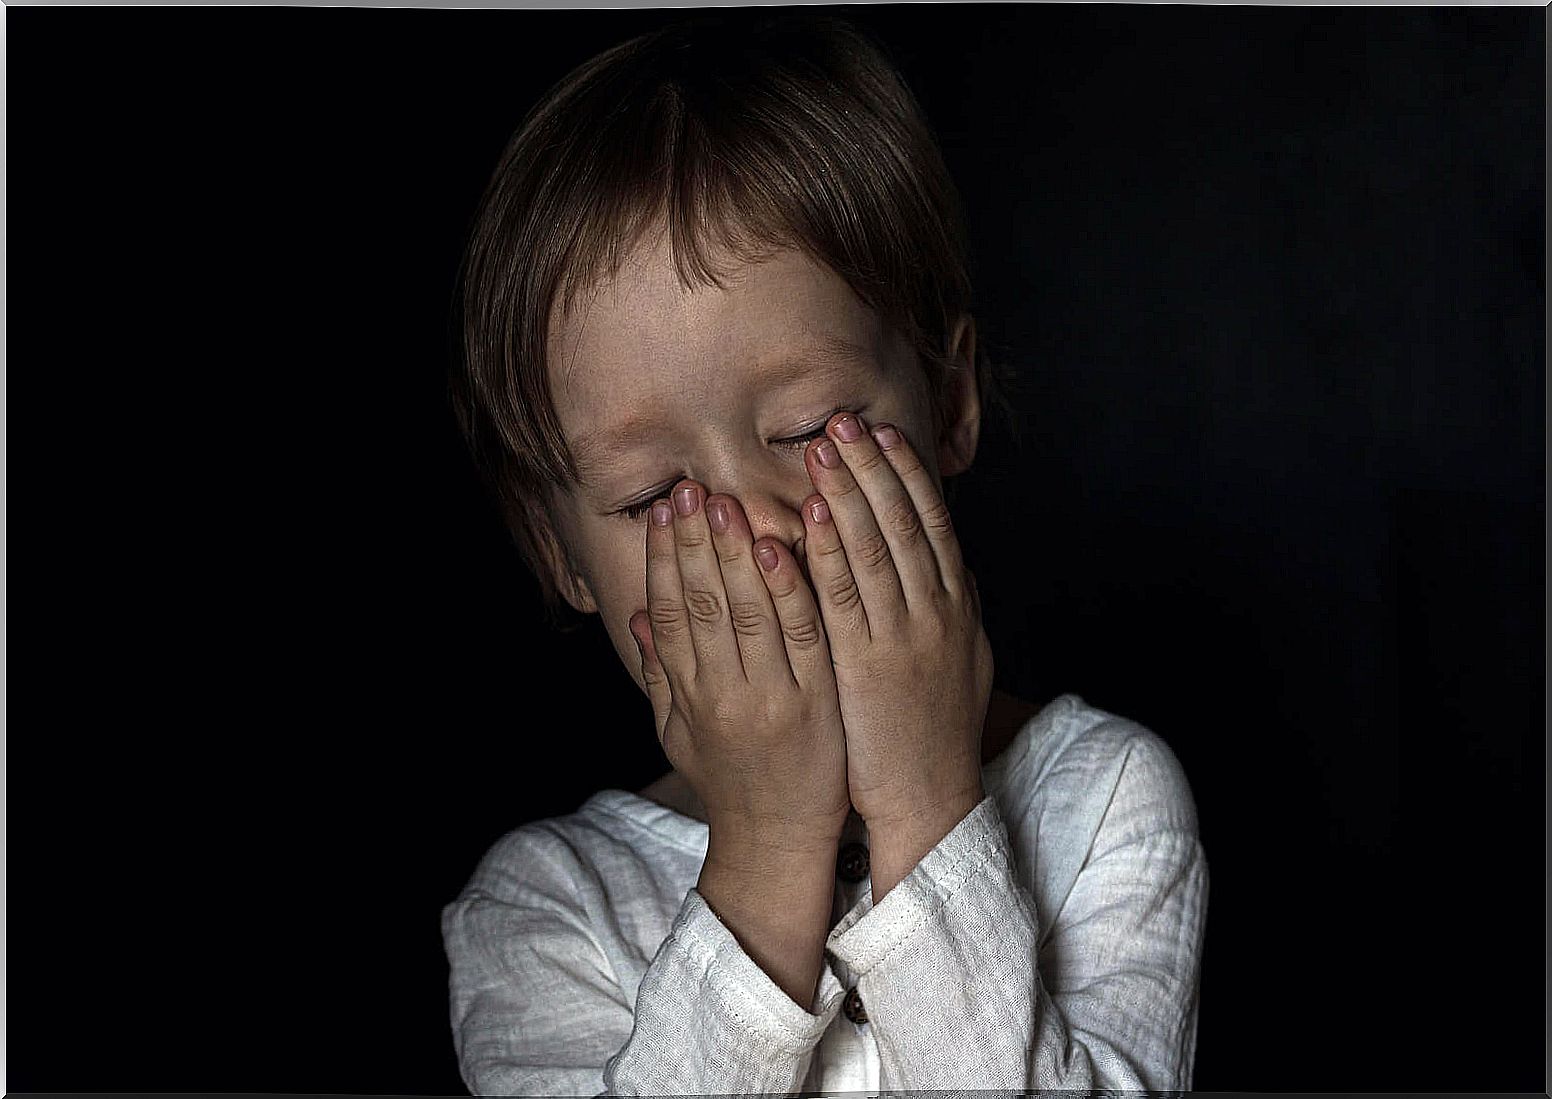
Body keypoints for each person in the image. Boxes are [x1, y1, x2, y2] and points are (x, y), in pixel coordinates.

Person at [441, 14, 1207, 1095]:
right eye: (652, 494)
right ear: (557, 553)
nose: (747, 523)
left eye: (808, 427)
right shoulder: (543, 913)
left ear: (947, 401)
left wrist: (928, 807)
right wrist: (765, 849)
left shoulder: (1102, 802)